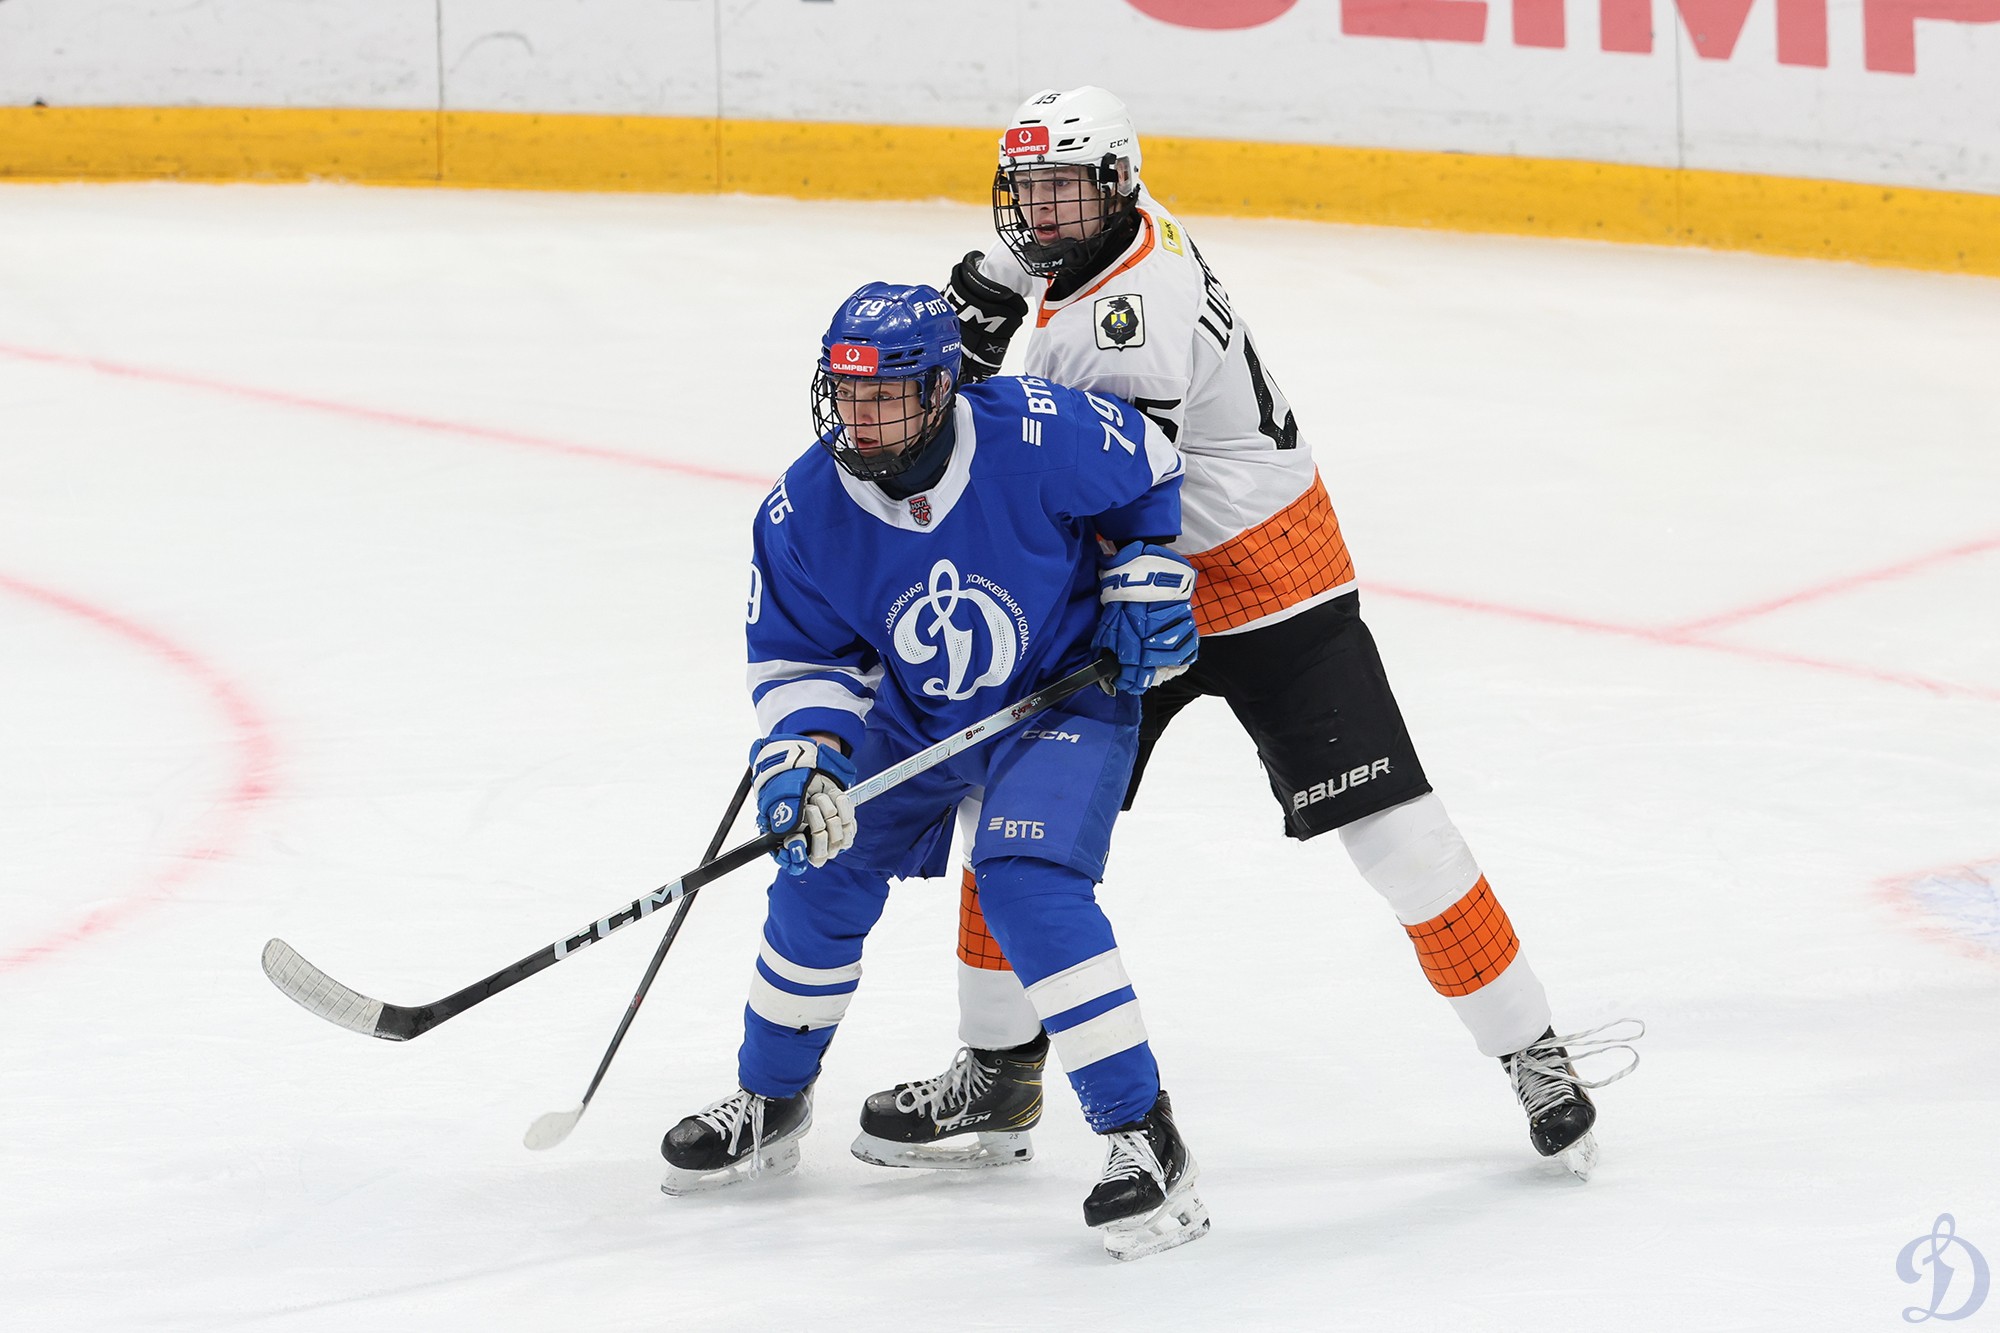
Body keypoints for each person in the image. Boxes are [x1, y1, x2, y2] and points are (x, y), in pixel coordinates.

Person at [854, 87, 1640, 1183]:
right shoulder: (1119, 232)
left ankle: (1533, 1052)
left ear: (1114, 184)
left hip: (1262, 578)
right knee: (1008, 822)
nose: (1039, 214)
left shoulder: (1120, 322)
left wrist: (957, 406)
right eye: (1026, 190)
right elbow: (1040, 290)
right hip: (1154, 572)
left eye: (1061, 189)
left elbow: (1095, 486)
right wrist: (984, 293)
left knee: (1398, 836)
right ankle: (998, 1069)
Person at [658, 280, 1212, 1260]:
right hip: (916, 715)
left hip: (1060, 694)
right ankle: (771, 1100)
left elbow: (1149, 466)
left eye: (885, 396)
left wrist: (1143, 573)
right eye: (846, 393)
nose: (860, 417)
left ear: (943, 387)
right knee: (818, 860)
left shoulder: (1033, 433)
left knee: (1025, 881)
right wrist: (804, 763)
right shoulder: (801, 509)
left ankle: (1142, 1133)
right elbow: (801, 660)